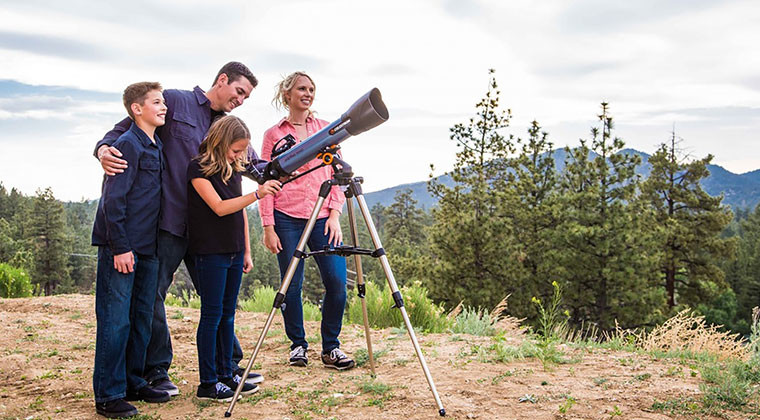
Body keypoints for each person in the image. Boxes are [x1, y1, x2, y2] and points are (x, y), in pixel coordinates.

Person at [94, 62, 266, 396]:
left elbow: (253, 163)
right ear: (222, 80)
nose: (241, 100)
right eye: (239, 91)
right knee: (152, 297)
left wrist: (275, 174)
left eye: (246, 97)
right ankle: (156, 369)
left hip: (211, 231)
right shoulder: (174, 101)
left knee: (217, 299)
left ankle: (226, 365)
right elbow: (123, 130)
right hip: (169, 222)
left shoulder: (231, 126)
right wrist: (102, 149)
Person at [260, 71, 354, 370]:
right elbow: (265, 180)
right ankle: (298, 345)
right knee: (292, 286)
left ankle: (331, 348)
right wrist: (268, 226)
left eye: (312, 89)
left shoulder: (326, 130)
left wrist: (336, 214)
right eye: (302, 88)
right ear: (287, 94)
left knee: (338, 283)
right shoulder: (273, 134)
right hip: (286, 219)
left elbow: (338, 175)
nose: (308, 93)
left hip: (324, 218)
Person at [187, 115, 282, 401]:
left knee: (228, 316)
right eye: (236, 150)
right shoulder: (197, 168)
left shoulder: (232, 169)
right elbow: (218, 207)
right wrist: (258, 194)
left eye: (242, 151)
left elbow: (239, 212)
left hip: (233, 249)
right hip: (210, 251)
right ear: (221, 141)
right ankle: (207, 383)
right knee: (212, 316)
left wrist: (247, 250)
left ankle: (226, 373)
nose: (239, 155)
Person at [91, 82, 169, 418]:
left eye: (163, 101)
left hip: (148, 247)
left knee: (140, 319)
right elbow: (113, 200)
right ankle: (108, 395)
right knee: (116, 321)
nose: (163, 106)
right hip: (121, 249)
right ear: (137, 109)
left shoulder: (156, 145)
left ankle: (134, 381)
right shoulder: (126, 145)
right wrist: (120, 248)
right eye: (156, 102)